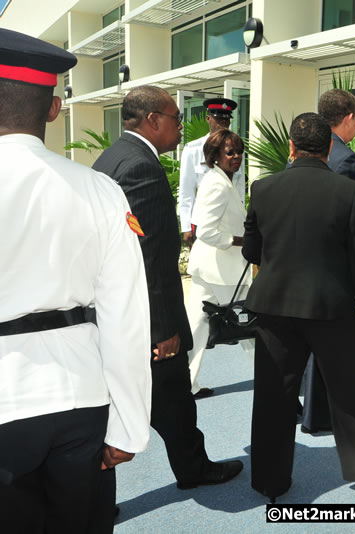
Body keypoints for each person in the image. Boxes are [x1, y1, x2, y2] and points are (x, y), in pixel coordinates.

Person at [0, 29, 151, 534]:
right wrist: (129, 424)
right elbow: (126, 317)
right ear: (53, 109)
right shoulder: (100, 191)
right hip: (78, 400)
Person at [92, 86, 243, 492]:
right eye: (176, 118)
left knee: (159, 402)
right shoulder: (140, 165)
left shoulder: (111, 158)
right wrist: (163, 331)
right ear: (152, 120)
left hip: (118, 310)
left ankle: (99, 493)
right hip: (146, 318)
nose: (181, 126)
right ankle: (193, 471)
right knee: (173, 397)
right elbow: (150, 255)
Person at [243, 112, 355, 501]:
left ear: (291, 147)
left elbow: (251, 250)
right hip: (331, 309)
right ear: (329, 148)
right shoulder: (347, 192)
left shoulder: (262, 188)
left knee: (274, 395)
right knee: (346, 393)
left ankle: (270, 481)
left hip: (275, 309)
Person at [297, 88, 355, 433]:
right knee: (335, 347)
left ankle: (312, 410)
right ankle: (329, 414)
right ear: (349, 118)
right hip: (336, 267)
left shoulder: (303, 153)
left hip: (305, 262)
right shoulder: (346, 160)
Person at [185, 129, 252, 399]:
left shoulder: (222, 180)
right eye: (230, 152)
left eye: (239, 151)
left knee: (197, 327)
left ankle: (185, 384)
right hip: (221, 270)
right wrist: (241, 241)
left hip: (210, 268)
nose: (236, 156)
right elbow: (206, 232)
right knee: (251, 328)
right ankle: (278, 386)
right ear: (214, 156)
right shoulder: (216, 184)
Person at [178, 97, 246, 247]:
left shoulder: (237, 149)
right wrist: (187, 227)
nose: (223, 122)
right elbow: (186, 191)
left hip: (231, 219)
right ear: (208, 119)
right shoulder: (193, 149)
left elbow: (240, 188)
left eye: (226, 119)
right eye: (218, 118)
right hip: (204, 220)